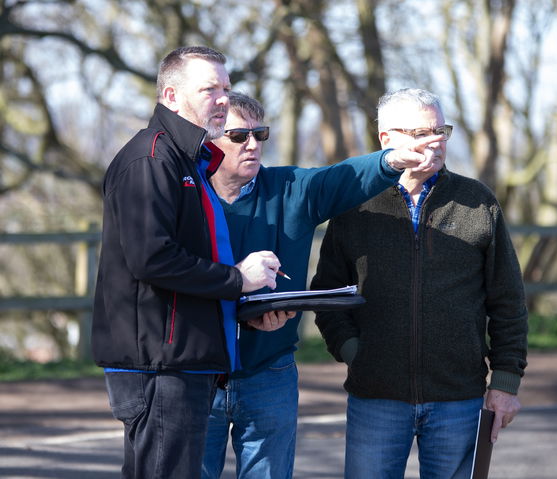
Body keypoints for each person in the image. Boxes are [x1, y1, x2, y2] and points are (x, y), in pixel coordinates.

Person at [202, 91, 434, 478]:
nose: (254, 144)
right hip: (199, 374)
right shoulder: (185, 198)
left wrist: (391, 159)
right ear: (209, 139)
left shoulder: (291, 187)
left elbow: (343, 177)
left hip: (269, 372)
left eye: (261, 134)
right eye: (239, 136)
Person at [311, 88, 528, 479]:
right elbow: (328, 292)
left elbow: (508, 300)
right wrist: (353, 351)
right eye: (419, 133)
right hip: (375, 395)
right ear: (387, 140)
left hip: (458, 397)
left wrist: (506, 382)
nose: (435, 141)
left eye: (440, 130)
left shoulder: (478, 201)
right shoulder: (355, 204)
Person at [92, 47, 287, 479]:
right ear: (171, 95)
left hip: (183, 364)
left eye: (226, 88)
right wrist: (238, 279)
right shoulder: (151, 159)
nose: (222, 99)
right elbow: (152, 258)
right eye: (209, 89)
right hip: (160, 368)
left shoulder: (187, 162)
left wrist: (245, 308)